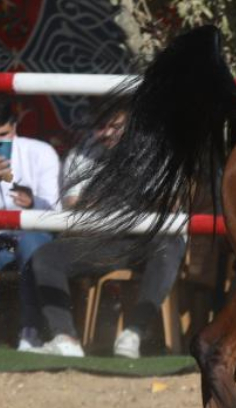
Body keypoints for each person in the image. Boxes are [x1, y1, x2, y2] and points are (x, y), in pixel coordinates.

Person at [25, 109, 188, 358]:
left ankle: (134, 332)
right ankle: (65, 338)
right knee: (45, 256)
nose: (107, 133)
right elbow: (73, 204)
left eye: (116, 126)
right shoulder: (83, 152)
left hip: (149, 239)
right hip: (101, 239)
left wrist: (132, 193)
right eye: (101, 126)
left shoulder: (158, 151)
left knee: (169, 243)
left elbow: (171, 203)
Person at [0, 96, 59, 349]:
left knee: (32, 242)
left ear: (14, 127)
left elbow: (54, 210)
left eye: (3, 134)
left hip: (32, 240)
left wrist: (32, 203)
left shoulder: (40, 153)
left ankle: (30, 330)